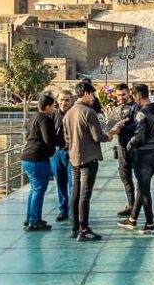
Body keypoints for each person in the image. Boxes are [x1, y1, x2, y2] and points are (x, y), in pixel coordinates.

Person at [63, 80, 112, 241]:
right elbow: (97, 136)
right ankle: (84, 230)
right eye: (92, 94)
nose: (93, 98)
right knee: (85, 194)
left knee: (75, 193)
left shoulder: (69, 113)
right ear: (86, 93)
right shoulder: (88, 112)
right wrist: (110, 135)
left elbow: (67, 138)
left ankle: (74, 227)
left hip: (74, 158)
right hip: (88, 158)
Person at [118, 84, 154, 234]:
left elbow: (139, 137)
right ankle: (132, 219)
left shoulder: (142, 113)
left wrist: (129, 144)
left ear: (138, 96)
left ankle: (150, 225)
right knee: (142, 187)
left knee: (145, 190)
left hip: (144, 156)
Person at [20, 93, 60, 231]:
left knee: (34, 189)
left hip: (27, 157)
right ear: (47, 106)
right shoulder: (44, 119)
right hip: (37, 158)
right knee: (39, 190)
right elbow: (48, 139)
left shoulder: (32, 117)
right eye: (53, 106)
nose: (54, 109)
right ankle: (35, 221)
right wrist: (63, 141)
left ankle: (30, 217)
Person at [112, 83, 139, 217]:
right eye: (119, 95)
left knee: (140, 178)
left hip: (135, 147)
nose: (121, 97)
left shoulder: (136, 107)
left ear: (129, 93)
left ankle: (139, 206)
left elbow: (138, 126)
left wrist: (122, 128)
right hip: (122, 146)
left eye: (123, 94)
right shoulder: (118, 108)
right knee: (125, 176)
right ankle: (131, 204)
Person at [49, 91, 74, 223]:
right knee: (60, 183)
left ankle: (72, 212)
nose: (64, 103)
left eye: (67, 100)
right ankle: (63, 210)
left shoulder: (75, 114)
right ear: (58, 101)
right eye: (62, 100)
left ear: (71, 101)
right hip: (57, 154)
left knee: (72, 184)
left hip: (72, 153)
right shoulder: (53, 115)